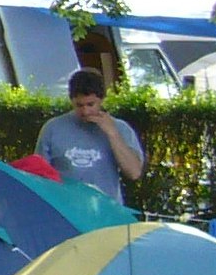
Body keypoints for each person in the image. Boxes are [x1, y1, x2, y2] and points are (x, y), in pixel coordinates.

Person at [36, 67, 144, 201]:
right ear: (71, 100)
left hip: (106, 209)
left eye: (90, 104)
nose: (85, 111)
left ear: (101, 100)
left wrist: (112, 134)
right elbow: (39, 175)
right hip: (67, 208)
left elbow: (134, 172)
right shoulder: (53, 128)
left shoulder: (120, 128)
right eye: (79, 105)